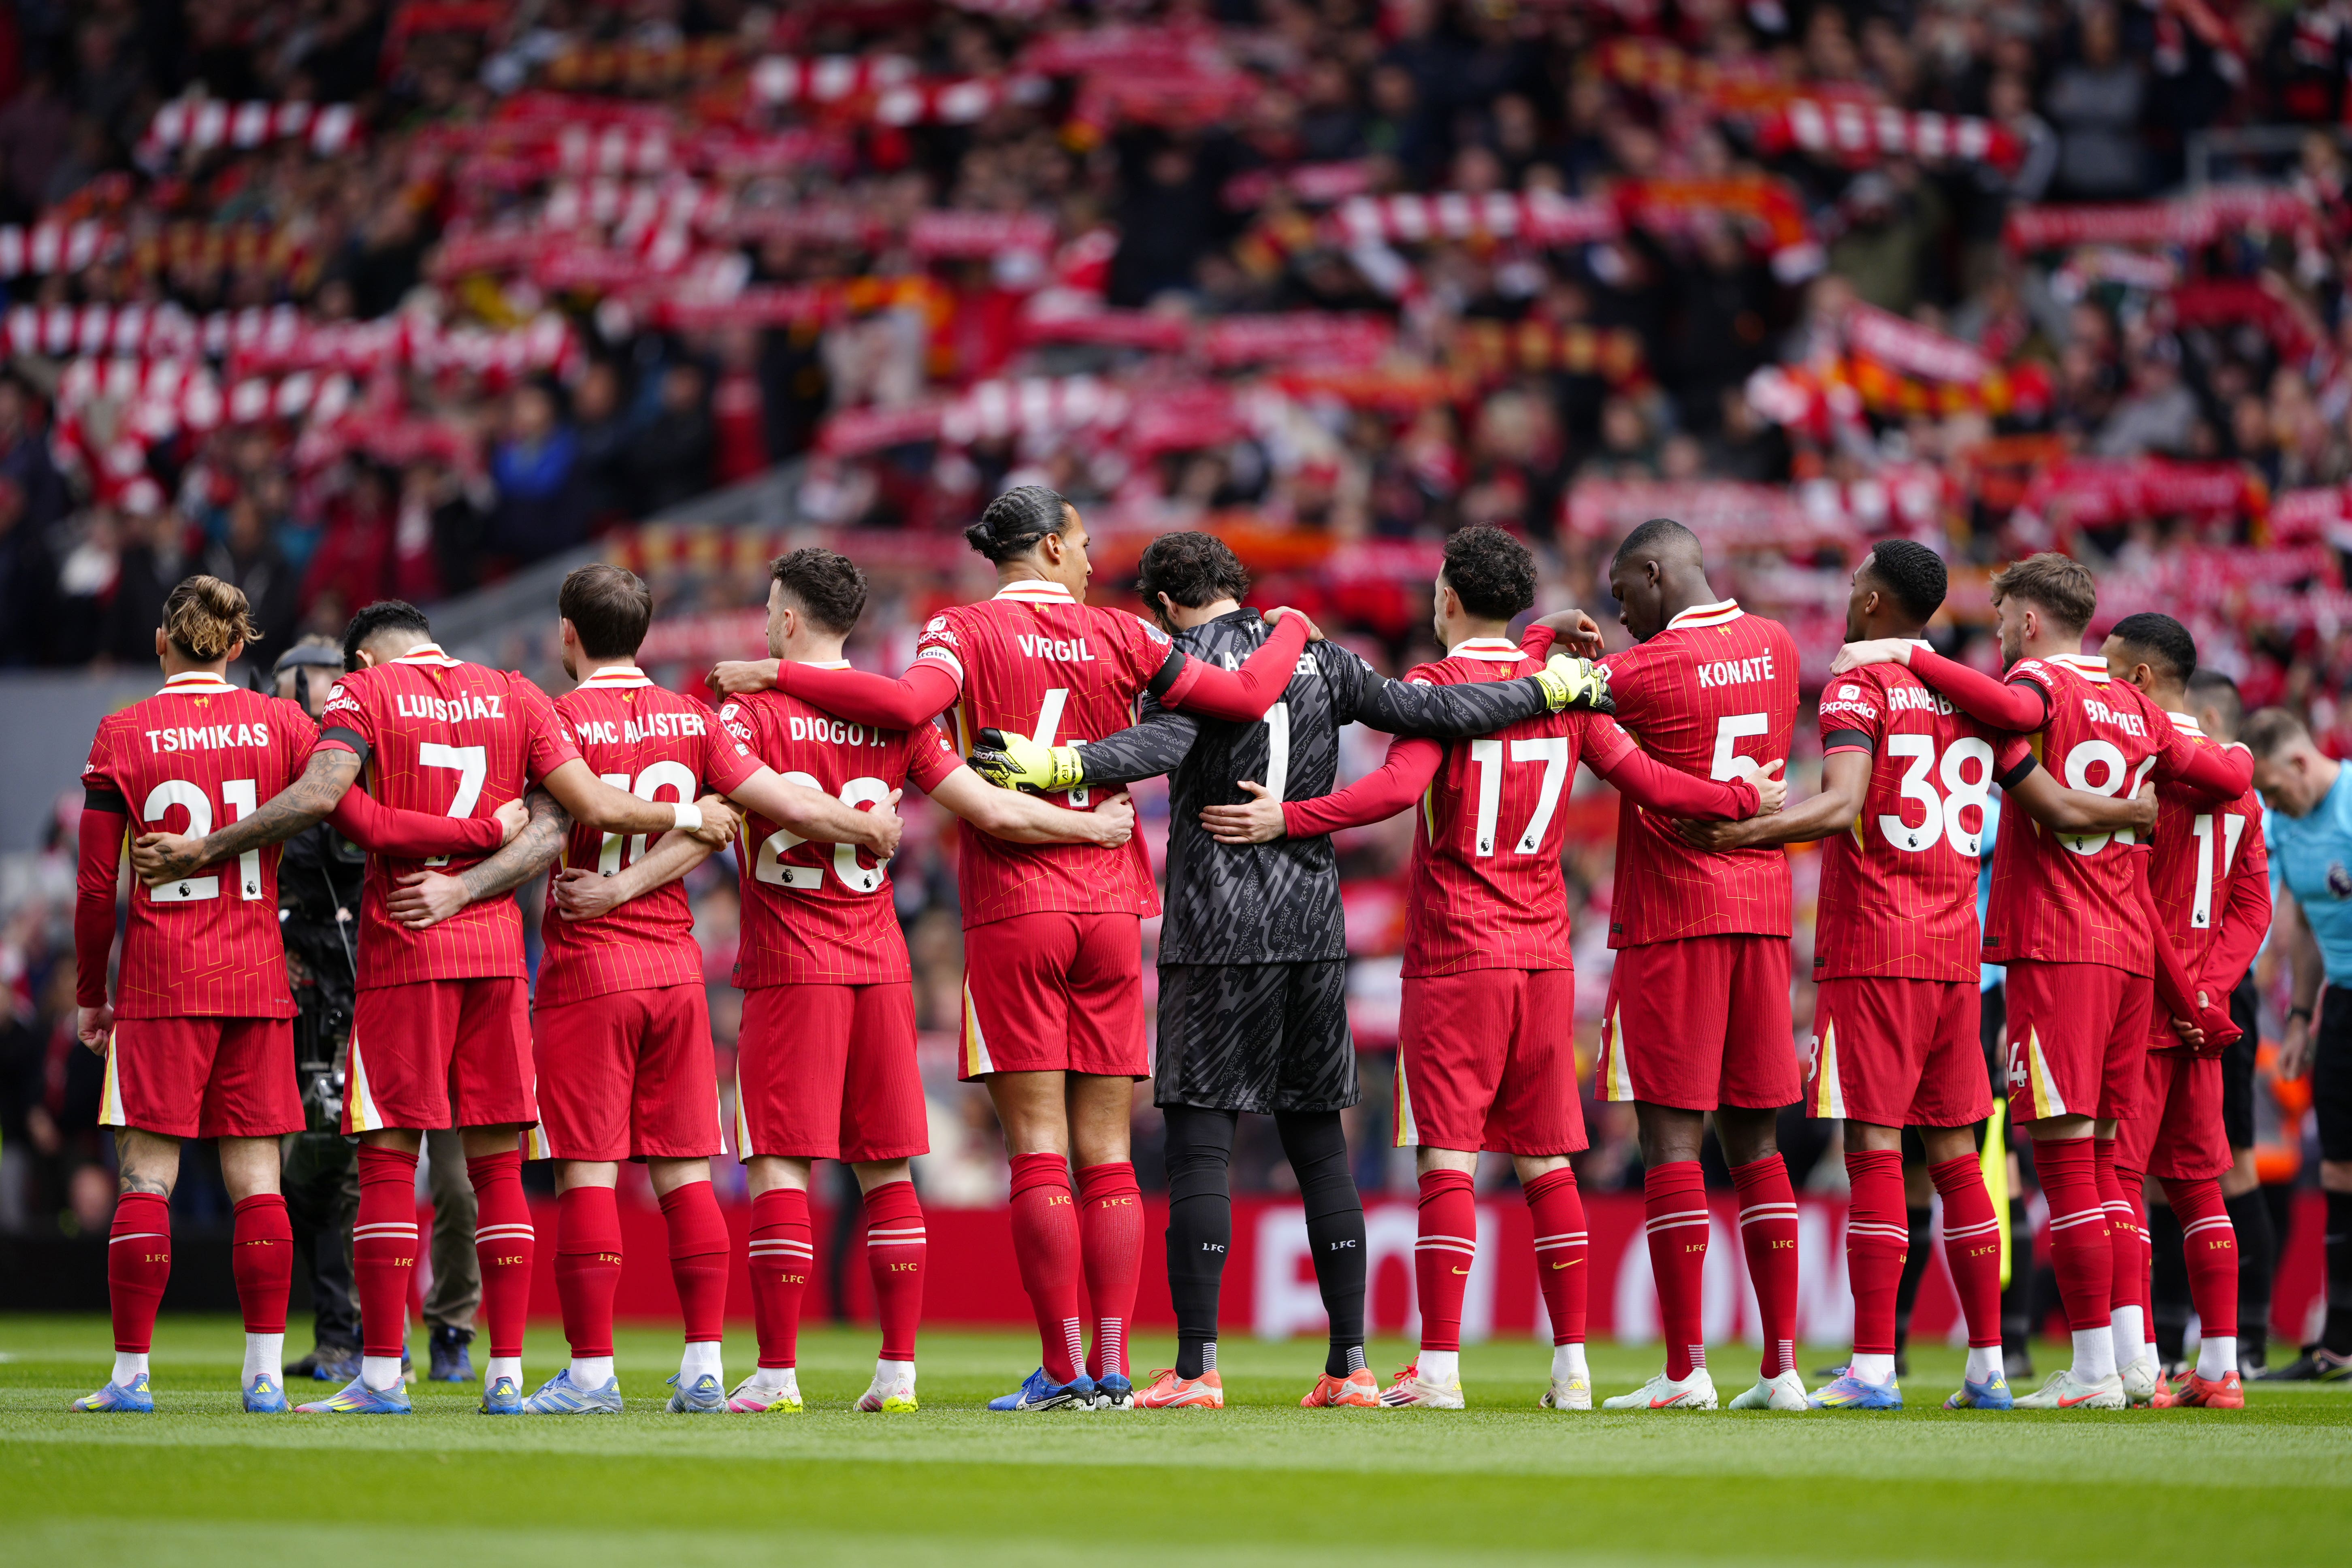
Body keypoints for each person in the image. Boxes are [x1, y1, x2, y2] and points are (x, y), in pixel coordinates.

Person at [707, 485, 1323, 1412]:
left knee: (1037, 1148)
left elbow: (912, 704)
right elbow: (1244, 692)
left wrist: (782, 675)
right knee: (1107, 1152)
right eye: (1078, 543)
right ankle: (1116, 1366)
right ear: (1043, 546)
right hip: (1113, 904)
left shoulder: (958, 630)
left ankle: (1065, 1367)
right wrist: (1293, 625)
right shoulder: (1123, 633)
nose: (1088, 558)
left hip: (1015, 906)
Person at [975, 529, 1611, 1410]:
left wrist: (1062, 764)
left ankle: (1196, 1369)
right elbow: (1432, 711)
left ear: (1163, 603)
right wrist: (1541, 674)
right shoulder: (1319, 653)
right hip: (1314, 924)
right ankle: (1350, 1363)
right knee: (1320, 1146)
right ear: (1239, 584)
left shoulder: (1177, 658)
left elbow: (1159, 746)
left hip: (1216, 927)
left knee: (1203, 1145)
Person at [1199, 526, 1778, 1410]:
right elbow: (1655, 784)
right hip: (1545, 956)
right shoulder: (1570, 698)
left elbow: (1395, 793)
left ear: (1448, 600)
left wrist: (1291, 817)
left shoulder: (1436, 688)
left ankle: (1438, 1368)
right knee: (1547, 1163)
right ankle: (1574, 1370)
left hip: (1459, 952)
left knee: (1451, 1160)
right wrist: (1745, 797)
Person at [126, 598, 737, 1416]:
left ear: (366, 663)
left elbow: (337, 805)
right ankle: (509, 1376)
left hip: (405, 945)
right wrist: (485, 836)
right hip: (498, 958)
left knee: (385, 1162)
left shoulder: (361, 696)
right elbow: (557, 822)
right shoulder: (520, 694)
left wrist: (203, 846)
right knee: (497, 1167)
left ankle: (382, 1377)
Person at [380, 562, 907, 1415]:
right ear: (647, 634)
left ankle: (591, 1374)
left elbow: (545, 831)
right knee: (685, 1177)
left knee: (590, 1177)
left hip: (589, 968)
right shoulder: (696, 718)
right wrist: (869, 826)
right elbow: (738, 811)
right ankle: (704, 1366)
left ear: (567, 633)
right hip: (675, 969)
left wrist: (473, 885)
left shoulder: (550, 717)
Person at [1681, 541, 2155, 1410]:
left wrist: (1743, 831)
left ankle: (1871, 1366)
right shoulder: (1976, 700)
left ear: (1870, 601)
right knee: (1955, 1158)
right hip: (1953, 953)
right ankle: (1987, 1369)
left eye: (1856, 577)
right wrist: (2131, 811)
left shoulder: (1859, 688)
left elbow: (1843, 803)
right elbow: (2049, 803)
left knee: (1872, 1150)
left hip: (1875, 950)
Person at [67, 578, 521, 1415]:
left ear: (164, 644)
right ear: (239, 648)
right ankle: (266, 1375)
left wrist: (93, 994)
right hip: (258, 977)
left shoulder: (122, 732)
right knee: (260, 1185)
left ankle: (131, 1377)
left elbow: (99, 887)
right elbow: (356, 817)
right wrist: (483, 833)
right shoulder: (287, 726)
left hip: (163, 977)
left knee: (147, 1179)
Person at [709, 548, 1137, 1414]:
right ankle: (898, 1371)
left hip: (791, 965)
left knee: (782, 1164)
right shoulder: (897, 722)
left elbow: (759, 800)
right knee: (887, 1166)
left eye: (767, 610)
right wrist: (1091, 834)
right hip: (881, 963)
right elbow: (990, 809)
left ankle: (779, 1375)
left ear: (788, 621)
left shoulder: (744, 711)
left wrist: (850, 827)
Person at [1835, 552, 2253, 1408]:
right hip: (2133, 956)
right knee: (2105, 1166)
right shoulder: (2138, 702)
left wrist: (1908, 655)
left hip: (2059, 949)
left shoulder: (2041, 688)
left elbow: (2010, 708)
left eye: (1998, 626)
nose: (1994, 642)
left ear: (2028, 623)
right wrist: (2237, 748)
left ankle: (2095, 1370)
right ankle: (2135, 1359)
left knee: (2066, 1165)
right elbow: (2227, 778)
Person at [1557, 518, 1807, 1413]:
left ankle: (1685, 1369)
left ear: (1655, 573)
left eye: (1625, 596)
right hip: (1765, 915)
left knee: (1671, 1141)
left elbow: (1560, 695)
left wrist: (1558, 638)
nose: (1621, 618)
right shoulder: (1778, 646)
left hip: (1672, 918)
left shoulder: (1644, 670)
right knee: (1758, 1143)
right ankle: (1781, 1369)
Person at [2102, 613, 2269, 1408]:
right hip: (2208, 1017)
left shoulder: (2139, 771)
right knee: (2203, 1188)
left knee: (2120, 1179)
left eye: (2108, 672)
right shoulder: (2241, 778)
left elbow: (2132, 899)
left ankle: (2142, 1372)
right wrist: (2213, 990)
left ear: (2137, 681)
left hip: (2145, 1003)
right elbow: (2253, 905)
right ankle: (2223, 1367)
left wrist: (2180, 995)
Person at [2243, 707, 2352, 1383]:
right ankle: (2338, 1348)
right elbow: (2311, 925)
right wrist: (2306, 1018)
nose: (2273, 806)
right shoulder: (2287, 822)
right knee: (2340, 1171)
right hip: (2340, 1001)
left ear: (2301, 763)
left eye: (2276, 790)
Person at [2182, 670, 2280, 1376]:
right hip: (2209, 992)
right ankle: (2194, 1343)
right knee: (2178, 1174)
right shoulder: (2236, 789)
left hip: (2209, 992)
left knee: (2225, 1167)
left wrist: (2203, 994)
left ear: (2208, 715)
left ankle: (2242, 1340)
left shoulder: (2189, 782)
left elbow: (2253, 910)